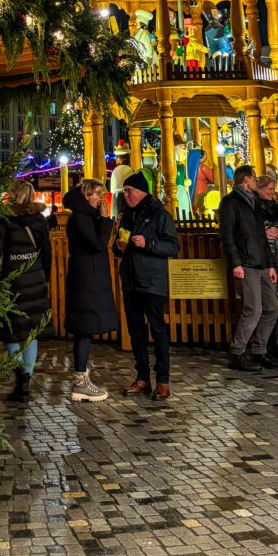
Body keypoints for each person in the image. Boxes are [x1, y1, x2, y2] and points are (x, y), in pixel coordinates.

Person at [0, 180, 52, 403]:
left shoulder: (4, 220)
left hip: (12, 283)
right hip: (36, 281)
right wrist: (44, 278)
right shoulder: (40, 220)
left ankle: (20, 378)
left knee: (11, 333)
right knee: (30, 333)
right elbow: (46, 253)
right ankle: (26, 382)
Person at [113, 171, 179, 399]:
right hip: (130, 280)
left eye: (129, 191)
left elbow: (172, 246)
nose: (126, 195)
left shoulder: (159, 214)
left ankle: (163, 380)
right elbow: (115, 245)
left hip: (152, 281)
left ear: (141, 192)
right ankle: (142, 378)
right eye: (125, 191)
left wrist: (148, 242)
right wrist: (119, 247)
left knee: (158, 330)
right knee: (136, 332)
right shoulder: (125, 216)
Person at [219, 164, 278, 372]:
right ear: (246, 180)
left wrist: (270, 264)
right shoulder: (230, 202)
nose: (256, 181)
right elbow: (227, 236)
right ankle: (237, 352)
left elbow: (261, 236)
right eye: (254, 178)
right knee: (253, 309)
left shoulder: (254, 202)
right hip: (246, 263)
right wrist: (235, 263)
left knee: (272, 306)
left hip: (262, 262)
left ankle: (259, 349)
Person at [62, 179, 118, 401]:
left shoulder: (85, 217)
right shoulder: (80, 219)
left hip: (89, 279)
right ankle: (80, 381)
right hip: (85, 281)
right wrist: (105, 219)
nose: (100, 198)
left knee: (85, 330)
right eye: (96, 194)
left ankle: (82, 377)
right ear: (85, 196)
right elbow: (98, 244)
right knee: (83, 329)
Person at [256, 173, 278, 362]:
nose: (272, 192)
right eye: (269, 189)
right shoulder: (253, 208)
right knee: (267, 306)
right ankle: (266, 346)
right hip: (264, 262)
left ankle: (276, 344)